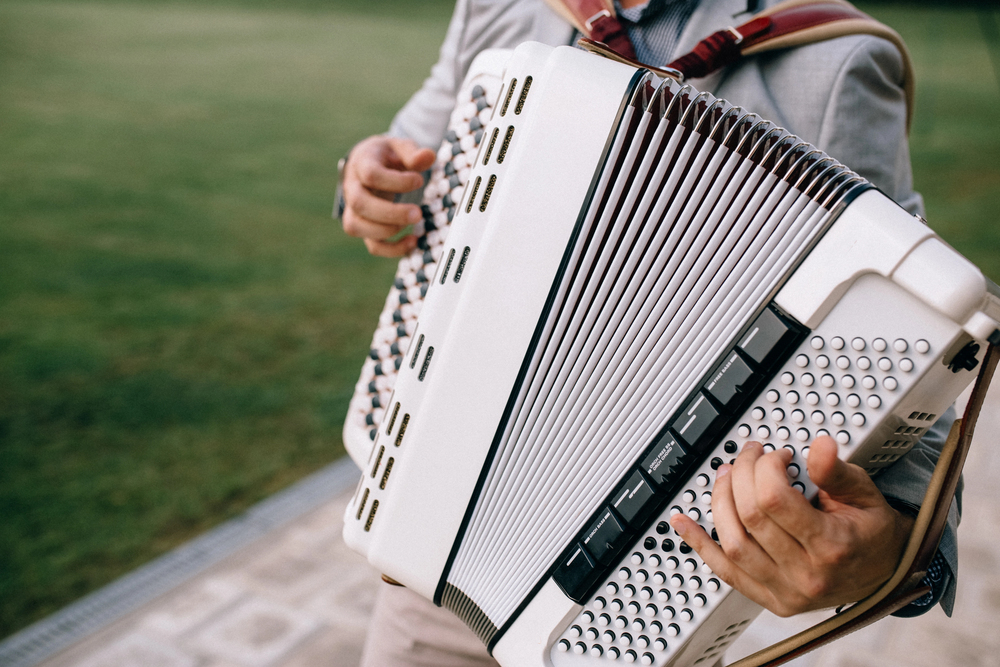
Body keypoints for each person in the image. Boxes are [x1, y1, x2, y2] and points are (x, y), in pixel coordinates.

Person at [339, 1, 960, 664]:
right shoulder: (498, 6)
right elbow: (411, 150)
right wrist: (367, 179)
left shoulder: (831, 57)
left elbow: (900, 333)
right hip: (427, 550)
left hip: (634, 592)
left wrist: (896, 546)